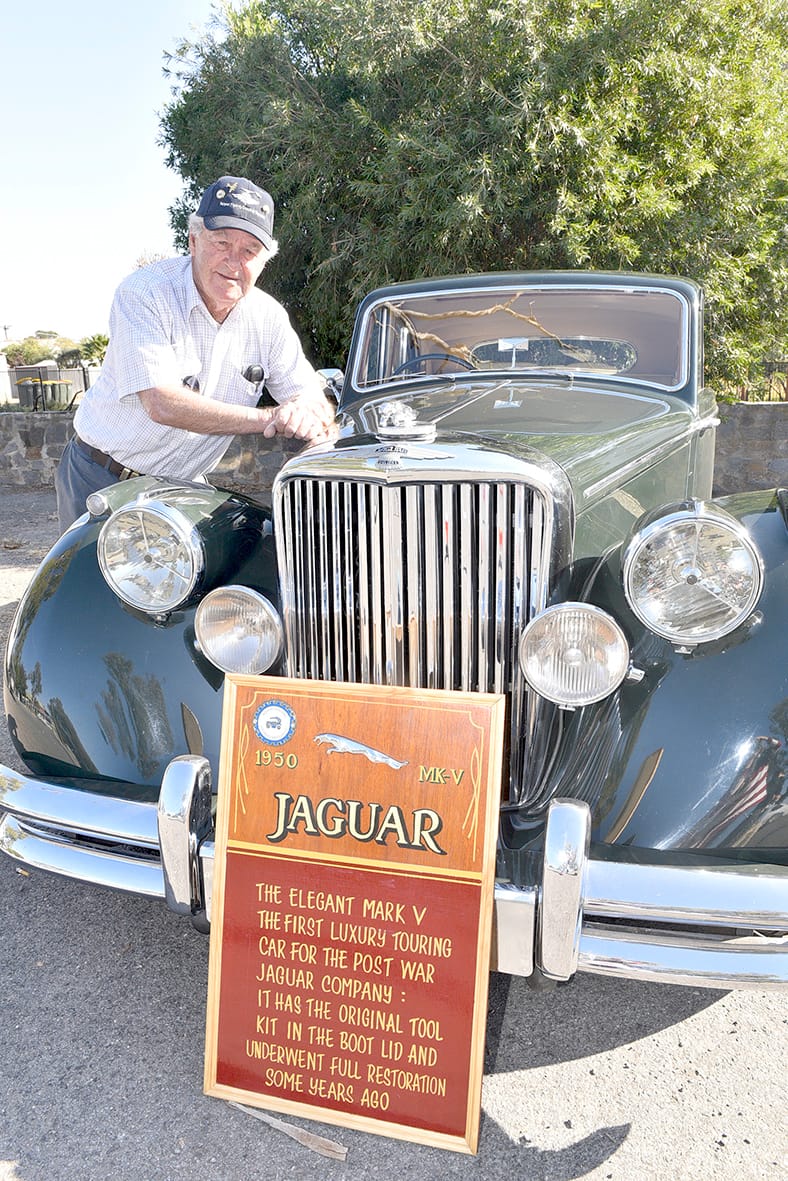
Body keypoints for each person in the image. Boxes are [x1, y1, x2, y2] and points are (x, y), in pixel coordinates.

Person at [55, 175, 336, 531]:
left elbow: (309, 396)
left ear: (266, 260)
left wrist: (311, 414)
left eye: (250, 250)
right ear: (193, 240)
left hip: (182, 488)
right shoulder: (145, 293)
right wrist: (271, 419)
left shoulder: (269, 318)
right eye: (221, 242)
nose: (234, 261)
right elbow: (161, 403)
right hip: (102, 478)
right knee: (93, 587)